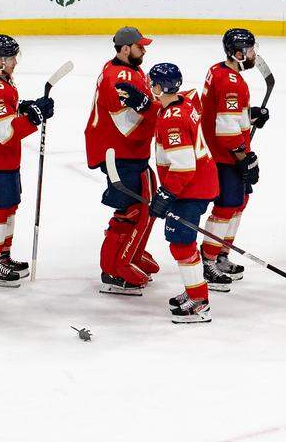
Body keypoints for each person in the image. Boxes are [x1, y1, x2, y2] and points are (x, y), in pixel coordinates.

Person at [0, 35, 55, 287]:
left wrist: (25, 108)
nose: (16, 61)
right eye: (12, 57)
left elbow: (5, 112)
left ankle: (3, 257)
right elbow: (4, 132)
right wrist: (33, 118)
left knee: (9, 205)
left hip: (3, 156)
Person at [85, 27, 160, 295]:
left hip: (131, 151)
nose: (145, 49)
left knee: (145, 206)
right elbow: (126, 126)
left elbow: (143, 108)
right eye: (140, 46)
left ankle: (132, 254)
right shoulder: (117, 76)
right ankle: (113, 270)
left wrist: (152, 107)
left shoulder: (133, 70)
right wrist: (157, 112)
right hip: (118, 152)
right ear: (126, 48)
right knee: (130, 211)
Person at [146, 63, 220, 323]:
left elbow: (184, 166)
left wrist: (165, 195)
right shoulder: (184, 103)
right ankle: (194, 291)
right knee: (183, 243)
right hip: (200, 184)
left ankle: (200, 302)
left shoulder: (172, 121)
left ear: (158, 87)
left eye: (151, 82)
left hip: (191, 189)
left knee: (181, 244)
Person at [199, 29, 268, 292]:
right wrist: (244, 157)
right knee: (226, 207)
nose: (254, 55)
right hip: (224, 156)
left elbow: (224, 113)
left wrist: (250, 116)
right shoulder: (232, 82)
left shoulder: (218, 71)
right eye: (250, 51)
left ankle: (220, 254)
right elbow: (226, 130)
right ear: (238, 54)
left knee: (240, 202)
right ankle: (208, 260)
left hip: (222, 152)